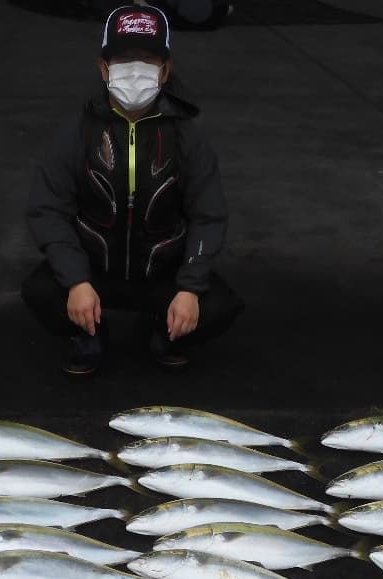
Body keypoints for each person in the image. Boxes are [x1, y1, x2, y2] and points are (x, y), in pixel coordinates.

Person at [23, 4, 243, 375]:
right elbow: (48, 209)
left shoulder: (187, 136)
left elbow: (209, 215)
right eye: (124, 59)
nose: (136, 69)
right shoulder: (76, 131)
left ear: (165, 70)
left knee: (218, 306)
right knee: (42, 292)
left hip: (162, 274)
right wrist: (76, 280)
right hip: (95, 270)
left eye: (148, 59)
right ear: (104, 67)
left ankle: (162, 329)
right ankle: (89, 334)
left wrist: (189, 288)